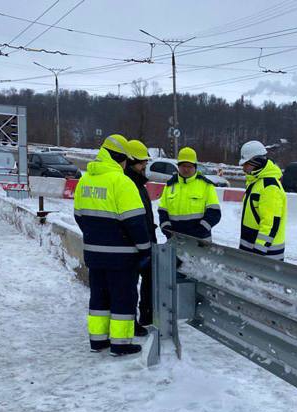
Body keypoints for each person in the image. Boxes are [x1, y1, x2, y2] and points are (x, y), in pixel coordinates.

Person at [73, 134, 152, 357]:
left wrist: (96, 237)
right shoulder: (122, 182)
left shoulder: (86, 180)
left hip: (94, 255)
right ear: (120, 158)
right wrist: (145, 249)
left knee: (99, 298)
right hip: (122, 256)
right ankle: (121, 344)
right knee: (123, 299)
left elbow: (79, 216)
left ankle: (98, 341)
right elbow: (135, 222)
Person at [123, 139, 157, 331]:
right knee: (129, 285)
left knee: (148, 281)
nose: (145, 165)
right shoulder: (128, 184)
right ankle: (132, 322)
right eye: (141, 161)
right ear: (130, 161)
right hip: (134, 245)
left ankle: (146, 316)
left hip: (145, 242)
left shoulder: (139, 184)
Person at [157, 147, 221, 241]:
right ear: (178, 166)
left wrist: (199, 232)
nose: (186, 169)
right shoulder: (170, 186)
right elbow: (163, 212)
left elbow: (214, 213)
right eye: (183, 166)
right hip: (175, 241)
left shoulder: (206, 185)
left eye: (189, 166)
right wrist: (167, 231)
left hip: (200, 243)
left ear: (195, 166)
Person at [238, 140, 287, 260]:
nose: (243, 168)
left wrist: (259, 252)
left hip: (266, 254)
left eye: (246, 164)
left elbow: (270, 223)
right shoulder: (256, 182)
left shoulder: (269, 186)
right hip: (251, 249)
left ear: (256, 162)